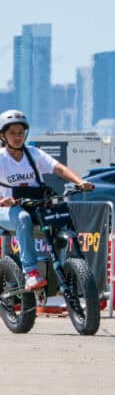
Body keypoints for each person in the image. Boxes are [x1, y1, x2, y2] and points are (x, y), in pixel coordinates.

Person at [0, 109, 94, 290]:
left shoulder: (33, 154)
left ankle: (81, 275)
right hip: (7, 211)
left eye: (21, 133)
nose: (17, 137)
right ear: (3, 135)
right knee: (22, 218)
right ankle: (31, 273)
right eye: (12, 133)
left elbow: (60, 169)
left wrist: (80, 181)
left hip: (36, 206)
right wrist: (4, 201)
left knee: (62, 215)